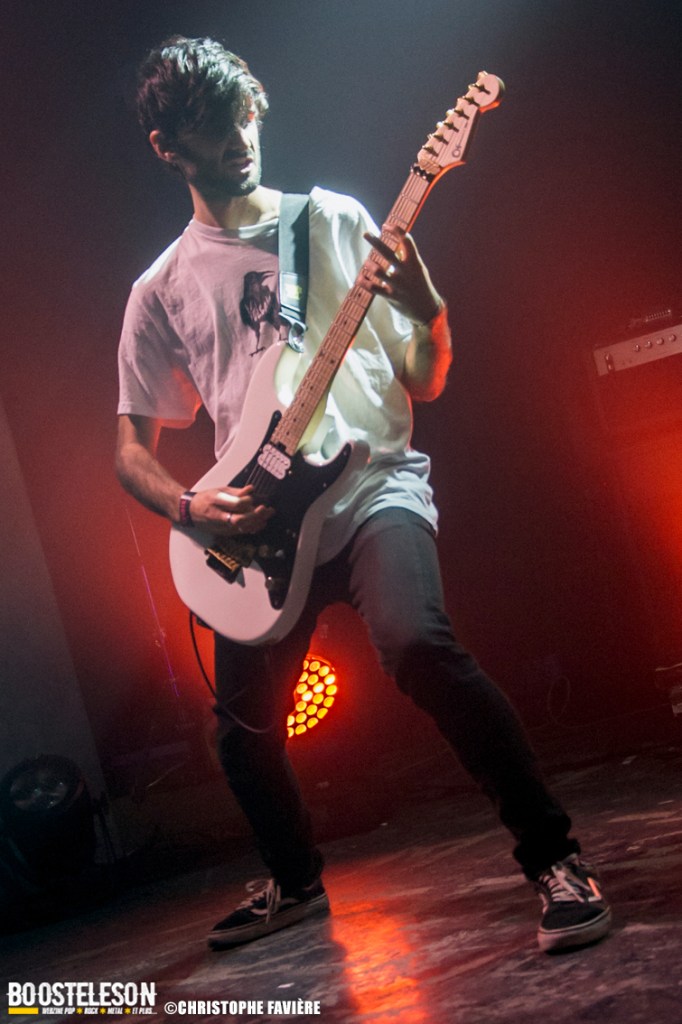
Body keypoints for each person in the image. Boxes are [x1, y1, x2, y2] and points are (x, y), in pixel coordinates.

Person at [116, 36, 611, 955]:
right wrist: (189, 508)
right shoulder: (161, 289)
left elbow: (425, 378)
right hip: (260, 525)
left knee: (418, 644)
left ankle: (556, 860)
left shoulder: (336, 221)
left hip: (372, 484)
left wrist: (428, 310)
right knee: (239, 734)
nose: (240, 141)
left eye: (245, 119)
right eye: (215, 129)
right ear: (167, 146)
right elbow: (128, 453)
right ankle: (295, 882)